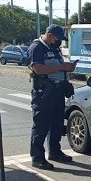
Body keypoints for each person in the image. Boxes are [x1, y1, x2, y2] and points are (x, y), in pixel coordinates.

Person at [29, 24, 76, 170]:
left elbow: (58, 67)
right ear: (49, 35)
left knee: (56, 124)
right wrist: (62, 67)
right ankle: (37, 158)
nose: (59, 41)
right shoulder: (37, 47)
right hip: (44, 93)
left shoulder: (55, 49)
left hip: (57, 91)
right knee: (41, 125)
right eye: (57, 38)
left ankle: (55, 152)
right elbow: (38, 68)